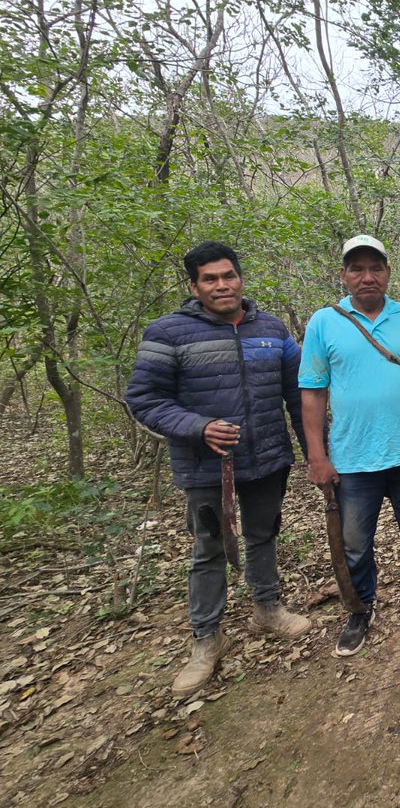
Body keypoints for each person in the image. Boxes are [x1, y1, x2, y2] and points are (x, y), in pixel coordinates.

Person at [126, 241, 311, 698]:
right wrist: (198, 427)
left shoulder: (271, 329)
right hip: (205, 466)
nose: (222, 285)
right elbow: (144, 399)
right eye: (210, 279)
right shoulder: (168, 333)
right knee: (208, 548)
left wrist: (315, 453)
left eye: (228, 275)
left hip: (267, 457)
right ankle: (206, 638)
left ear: (241, 278)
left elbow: (298, 394)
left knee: (263, 534)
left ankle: (267, 608)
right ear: (194, 286)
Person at [299, 235, 400, 656]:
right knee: (355, 543)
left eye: (375, 268)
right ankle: (359, 609)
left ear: (387, 273)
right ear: (344, 275)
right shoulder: (324, 323)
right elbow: (313, 391)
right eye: (357, 269)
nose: (367, 277)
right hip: (352, 458)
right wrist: (317, 455)